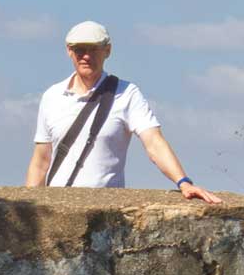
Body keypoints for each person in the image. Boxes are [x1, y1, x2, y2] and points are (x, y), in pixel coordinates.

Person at [25, 21, 221, 203]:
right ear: (69, 51)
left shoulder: (127, 93)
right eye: (79, 50)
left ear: (107, 51)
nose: (86, 56)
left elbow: (153, 142)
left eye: (93, 49)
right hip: (57, 207)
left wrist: (183, 181)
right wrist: (29, 207)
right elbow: (42, 159)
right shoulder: (52, 96)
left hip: (105, 210)